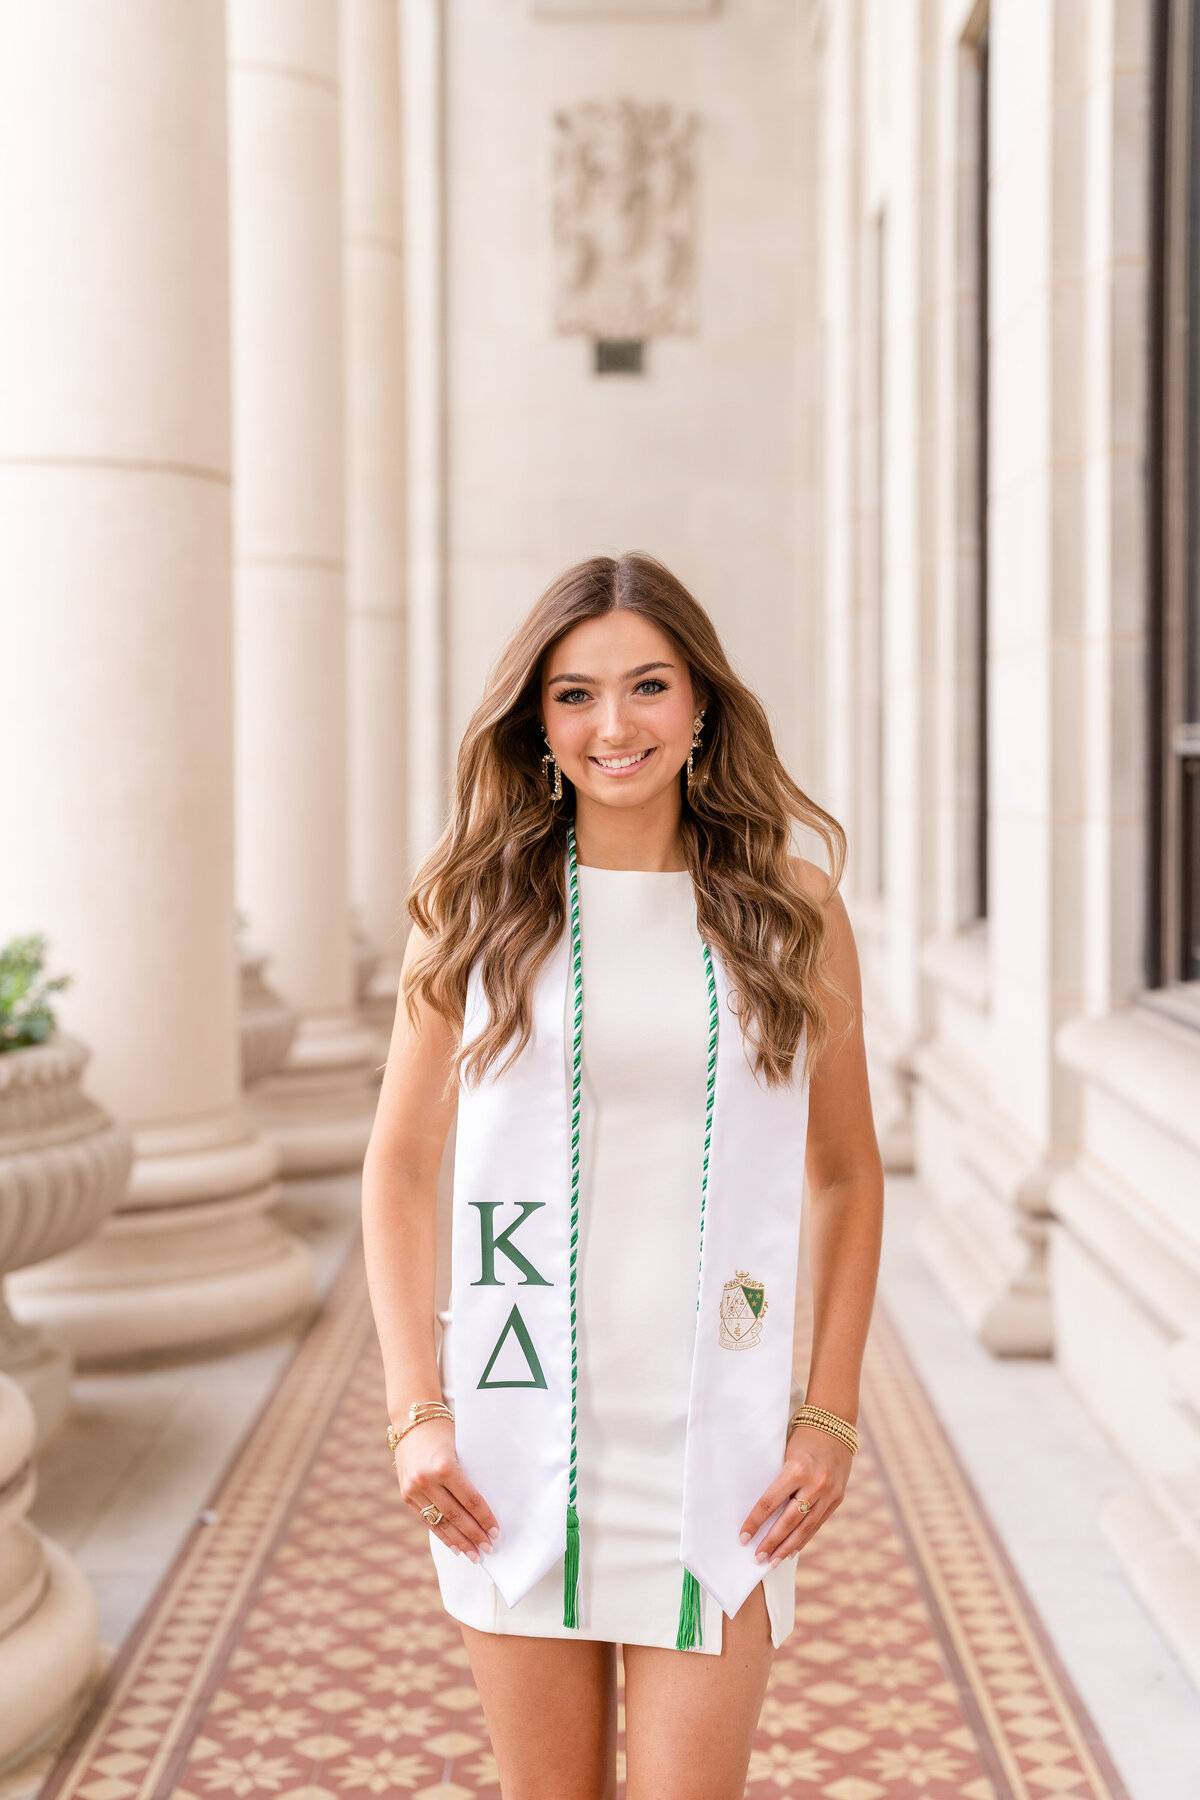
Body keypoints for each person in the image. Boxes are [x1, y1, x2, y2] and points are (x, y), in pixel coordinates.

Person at [361, 553, 884, 1800]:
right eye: (576, 694)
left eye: (648, 686)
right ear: (537, 724)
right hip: (513, 1437)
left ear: (700, 705)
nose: (615, 725)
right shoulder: (474, 906)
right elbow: (400, 1159)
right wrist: (414, 1407)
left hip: (722, 1449)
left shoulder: (789, 909)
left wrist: (829, 1414)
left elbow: (848, 1174)